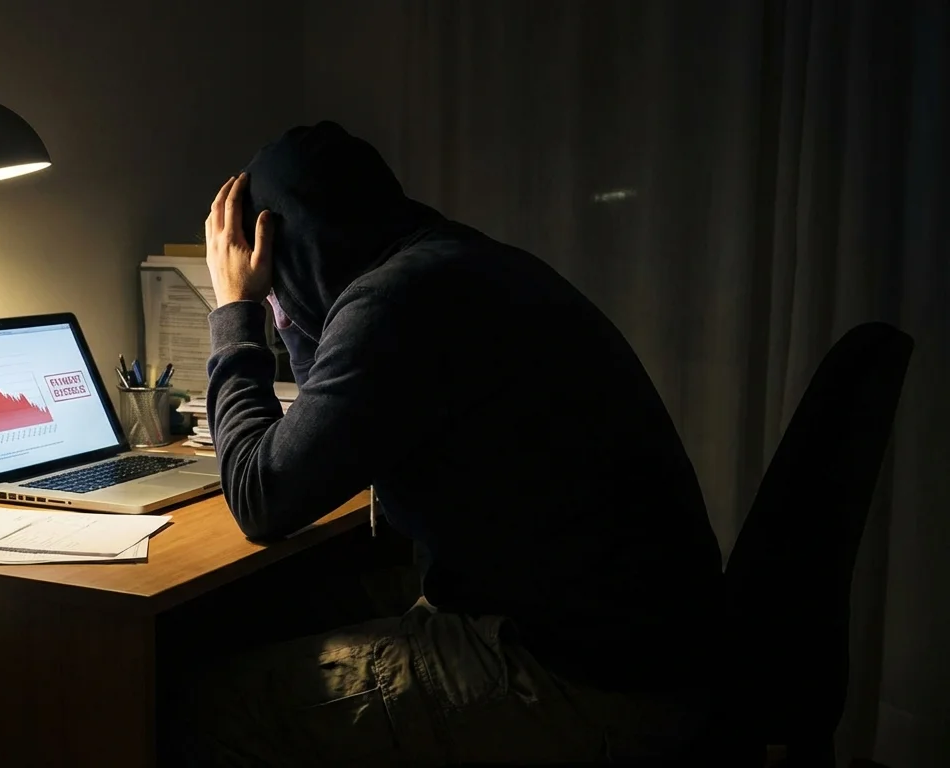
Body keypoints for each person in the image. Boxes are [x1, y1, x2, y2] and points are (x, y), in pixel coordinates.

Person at [179, 121, 725, 766]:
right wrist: (286, 300)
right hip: (649, 649)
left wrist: (236, 309)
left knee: (207, 707)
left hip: (587, 686)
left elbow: (260, 499)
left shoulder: (395, 306)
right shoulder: (453, 262)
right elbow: (330, 419)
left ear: (287, 244)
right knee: (271, 612)